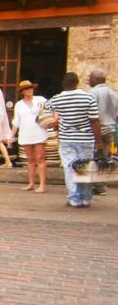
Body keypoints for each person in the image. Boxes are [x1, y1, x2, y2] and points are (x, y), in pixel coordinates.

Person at [46, 72, 101, 208]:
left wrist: (56, 124)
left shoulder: (56, 99)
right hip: (86, 139)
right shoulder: (88, 98)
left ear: (63, 84)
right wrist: (98, 141)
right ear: (77, 82)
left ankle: (74, 199)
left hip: (66, 139)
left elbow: (45, 115)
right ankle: (86, 198)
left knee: (70, 168)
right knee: (84, 168)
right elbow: (94, 121)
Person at [8, 80, 48, 192]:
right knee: (30, 160)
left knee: (40, 158)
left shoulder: (40, 100)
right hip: (26, 133)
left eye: (31, 88)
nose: (30, 90)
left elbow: (50, 109)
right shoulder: (19, 105)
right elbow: (16, 121)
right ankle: (31, 183)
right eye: (27, 89)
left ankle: (42, 185)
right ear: (22, 92)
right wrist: (11, 136)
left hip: (39, 131)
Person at [87, 68, 117, 196]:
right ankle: (101, 186)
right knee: (105, 158)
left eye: (90, 77)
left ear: (96, 79)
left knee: (92, 157)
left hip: (96, 130)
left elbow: (90, 114)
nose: (89, 79)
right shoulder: (114, 93)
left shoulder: (92, 93)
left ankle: (92, 185)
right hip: (110, 129)